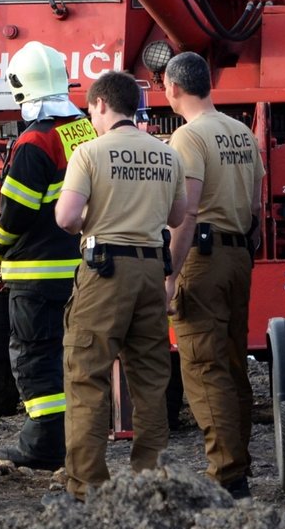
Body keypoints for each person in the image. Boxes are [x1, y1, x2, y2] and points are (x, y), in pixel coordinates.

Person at [55, 71, 186, 500]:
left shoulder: (89, 153)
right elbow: (177, 215)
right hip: (152, 272)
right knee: (150, 379)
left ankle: (87, 485)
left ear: (102, 105)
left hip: (106, 271)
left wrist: (96, 216)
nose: (91, 118)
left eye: (91, 110)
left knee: (87, 374)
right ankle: (151, 481)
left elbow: (66, 217)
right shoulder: (167, 154)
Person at [0, 41, 96, 471]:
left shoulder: (34, 142)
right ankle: (70, 438)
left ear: (21, 89)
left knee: (33, 355)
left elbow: (15, 213)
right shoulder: (85, 129)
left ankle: (44, 442)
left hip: (36, 273)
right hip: (81, 269)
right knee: (70, 355)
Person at [163, 51, 264, 499]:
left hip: (203, 259)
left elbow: (183, 215)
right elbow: (258, 206)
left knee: (204, 367)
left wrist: (169, 275)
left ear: (173, 88)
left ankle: (225, 476)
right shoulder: (240, 132)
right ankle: (237, 463)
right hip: (238, 253)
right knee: (230, 361)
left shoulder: (188, 138)